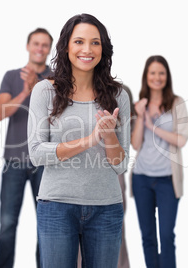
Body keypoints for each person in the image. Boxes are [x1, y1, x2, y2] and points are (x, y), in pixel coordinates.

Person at [28, 13, 131, 268]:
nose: (87, 49)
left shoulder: (119, 96)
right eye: (79, 42)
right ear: (66, 47)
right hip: (57, 207)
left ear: (103, 48)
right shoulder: (44, 91)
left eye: (95, 42)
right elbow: (37, 153)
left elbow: (120, 164)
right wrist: (89, 140)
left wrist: (108, 137)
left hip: (106, 209)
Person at [0, 28, 53, 268]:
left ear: (49, 49)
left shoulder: (56, 78)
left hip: (45, 163)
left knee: (46, 224)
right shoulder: (10, 76)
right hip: (14, 162)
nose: (40, 48)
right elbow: (0, 112)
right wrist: (26, 91)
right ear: (28, 46)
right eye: (36, 43)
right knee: (7, 224)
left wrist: (38, 85)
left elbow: (59, 112)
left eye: (45, 45)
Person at [130, 55, 188, 268]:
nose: (157, 77)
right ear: (146, 76)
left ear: (167, 76)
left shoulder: (177, 103)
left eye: (161, 73)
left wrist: (153, 126)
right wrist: (140, 117)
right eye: (153, 73)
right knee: (147, 238)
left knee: (166, 236)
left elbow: (181, 139)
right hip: (142, 178)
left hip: (167, 179)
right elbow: (135, 144)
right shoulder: (140, 104)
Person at [77, 84, 134, 268]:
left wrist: (109, 134)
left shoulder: (121, 93)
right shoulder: (72, 94)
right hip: (78, 173)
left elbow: (126, 143)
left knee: (113, 230)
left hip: (112, 173)